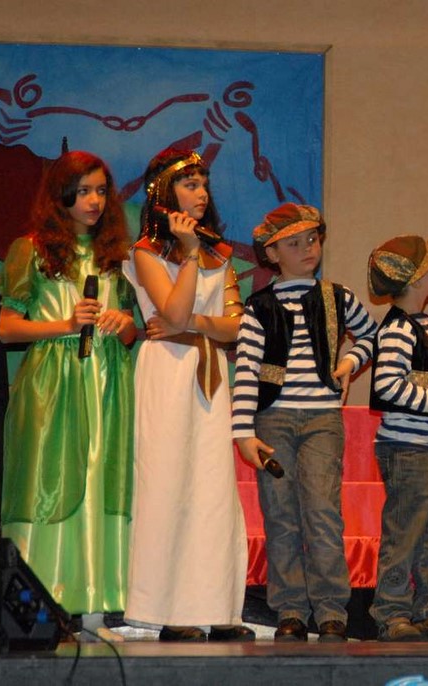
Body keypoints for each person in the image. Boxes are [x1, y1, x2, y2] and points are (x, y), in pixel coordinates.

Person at [0, 150, 136, 643]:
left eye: (100, 191)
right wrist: (65, 324)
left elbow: (134, 333)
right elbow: (7, 328)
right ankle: (40, 614)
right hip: (52, 385)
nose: (93, 201)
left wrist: (122, 324)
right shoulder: (31, 250)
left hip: (108, 385)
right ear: (61, 195)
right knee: (48, 486)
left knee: (101, 483)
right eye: (82, 192)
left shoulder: (117, 256)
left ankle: (96, 611)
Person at [232, 203, 377, 643]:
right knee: (281, 515)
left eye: (312, 239)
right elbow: (246, 369)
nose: (307, 249)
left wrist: (350, 362)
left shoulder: (337, 297)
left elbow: (371, 335)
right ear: (272, 254)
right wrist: (243, 432)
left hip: (321, 419)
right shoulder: (259, 307)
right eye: (293, 243)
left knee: (322, 513)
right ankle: (290, 609)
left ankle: (332, 609)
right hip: (272, 419)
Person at [123, 148, 252, 642]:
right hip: (168, 373)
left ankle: (215, 607)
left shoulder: (220, 252)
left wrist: (197, 323)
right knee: (168, 483)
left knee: (212, 489)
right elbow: (170, 314)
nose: (201, 193)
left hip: (211, 374)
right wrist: (191, 255)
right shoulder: (146, 253)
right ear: (165, 192)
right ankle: (163, 609)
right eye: (190, 184)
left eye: (204, 184)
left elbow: (236, 326)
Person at [366, 233, 428, 642]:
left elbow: (426, 379)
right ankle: (391, 612)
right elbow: (388, 386)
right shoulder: (397, 329)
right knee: (404, 532)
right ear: (418, 278)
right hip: (406, 447)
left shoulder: (424, 324)